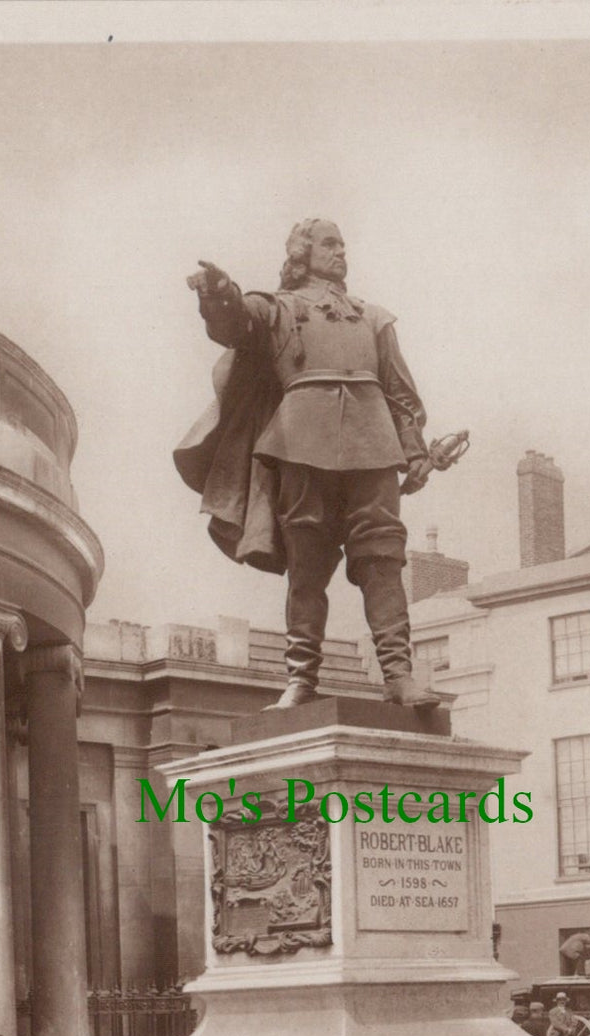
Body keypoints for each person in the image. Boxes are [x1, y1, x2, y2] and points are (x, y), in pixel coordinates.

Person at [175, 219, 441, 709]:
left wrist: (416, 449)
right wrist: (219, 293)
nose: (341, 252)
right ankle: (301, 678)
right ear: (302, 254)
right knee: (307, 565)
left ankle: (399, 676)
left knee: (382, 558)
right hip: (300, 444)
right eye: (329, 244)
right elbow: (236, 322)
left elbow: (401, 392)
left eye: (343, 244)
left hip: (373, 445)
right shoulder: (278, 308)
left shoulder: (374, 318)